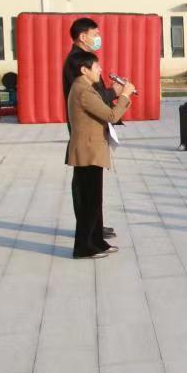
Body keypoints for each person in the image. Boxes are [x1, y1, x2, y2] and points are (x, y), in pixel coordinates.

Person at [65, 50, 135, 259]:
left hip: (91, 150)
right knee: (89, 202)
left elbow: (105, 111)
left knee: (94, 201)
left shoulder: (85, 88)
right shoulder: (84, 91)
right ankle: (83, 247)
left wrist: (121, 95)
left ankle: (96, 242)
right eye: (96, 67)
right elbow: (111, 115)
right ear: (84, 70)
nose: (100, 70)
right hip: (88, 152)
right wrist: (124, 95)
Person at [62, 17, 121, 242]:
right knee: (86, 184)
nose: (98, 38)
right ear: (82, 36)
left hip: (91, 127)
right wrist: (116, 92)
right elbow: (90, 97)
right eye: (95, 35)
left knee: (91, 184)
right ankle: (88, 230)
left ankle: (94, 227)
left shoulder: (84, 59)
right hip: (85, 130)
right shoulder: (76, 62)